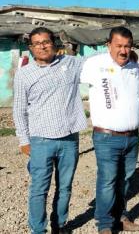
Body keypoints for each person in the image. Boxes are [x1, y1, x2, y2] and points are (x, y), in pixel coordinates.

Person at [13, 27, 87, 234]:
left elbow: (98, 61)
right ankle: (38, 230)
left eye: (46, 41)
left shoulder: (70, 63)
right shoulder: (24, 75)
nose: (42, 46)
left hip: (69, 138)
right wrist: (23, 140)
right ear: (31, 48)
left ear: (54, 43)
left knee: (65, 187)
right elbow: (19, 110)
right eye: (37, 43)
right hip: (40, 140)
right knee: (39, 189)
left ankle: (59, 225)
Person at [80, 27, 139, 233]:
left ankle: (120, 217)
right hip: (106, 137)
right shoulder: (94, 64)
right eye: (119, 46)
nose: (123, 50)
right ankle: (105, 224)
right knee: (108, 180)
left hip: (132, 137)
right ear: (108, 45)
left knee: (125, 180)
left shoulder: (135, 67)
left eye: (127, 46)